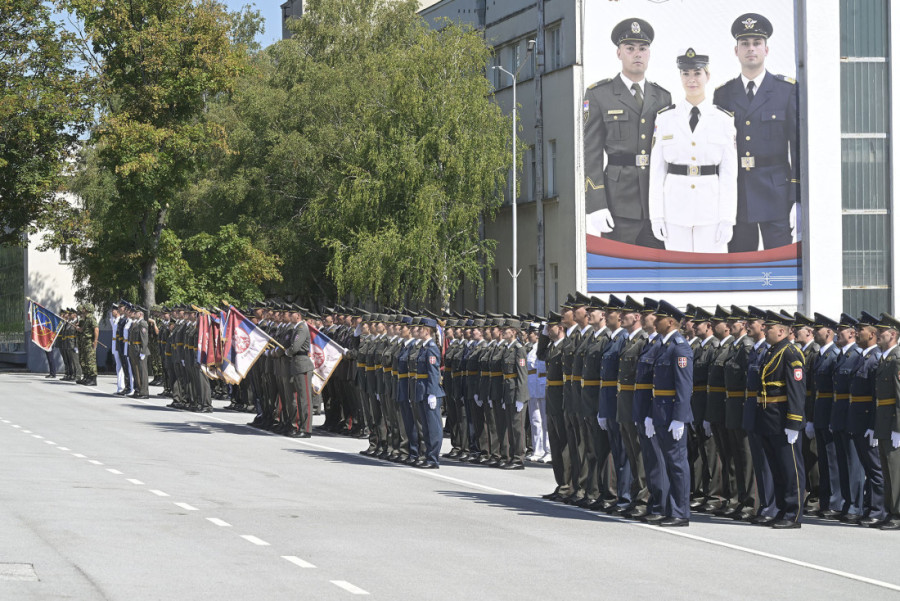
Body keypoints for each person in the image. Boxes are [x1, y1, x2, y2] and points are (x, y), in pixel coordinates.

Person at [713, 13, 801, 252]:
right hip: (738, 193)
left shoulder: (786, 90)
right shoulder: (723, 94)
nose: (750, 49)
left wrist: (797, 198)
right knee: (740, 269)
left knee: (779, 266)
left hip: (777, 193)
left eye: (756, 43)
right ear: (736, 50)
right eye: (745, 44)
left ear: (766, 49)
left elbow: (798, 147)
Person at [584, 18, 672, 247]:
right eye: (630, 48)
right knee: (618, 276)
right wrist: (596, 204)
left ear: (649, 53)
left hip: (655, 205)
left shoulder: (662, 97)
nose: (637, 54)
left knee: (657, 277)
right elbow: (590, 154)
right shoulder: (599, 94)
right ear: (619, 53)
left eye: (643, 48)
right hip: (617, 204)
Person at [649, 48, 737, 252]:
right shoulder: (664, 118)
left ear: (707, 76)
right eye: (685, 73)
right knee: (677, 277)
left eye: (697, 73)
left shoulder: (723, 120)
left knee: (712, 276)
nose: (691, 79)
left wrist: (727, 219)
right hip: (674, 212)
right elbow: (657, 171)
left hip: (711, 213)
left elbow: (729, 174)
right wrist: (657, 216)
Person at [757, 311, 807, 528]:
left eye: (768, 328)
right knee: (777, 468)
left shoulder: (791, 353)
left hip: (784, 419)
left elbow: (797, 390)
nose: (764, 330)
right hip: (769, 418)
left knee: (791, 468)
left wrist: (794, 422)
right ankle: (781, 509)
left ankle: (793, 514)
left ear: (781, 331)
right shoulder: (772, 351)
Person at [647, 300, 694, 526]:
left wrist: (679, 418)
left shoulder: (680, 347)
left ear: (670, 321)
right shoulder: (664, 346)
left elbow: (684, 386)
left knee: (677, 463)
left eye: (658, 318)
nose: (654, 321)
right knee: (667, 462)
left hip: (672, 414)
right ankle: (670, 508)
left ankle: (680, 512)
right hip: (660, 412)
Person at [416, 317, 445, 469]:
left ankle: (433, 458)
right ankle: (428, 455)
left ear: (427, 331)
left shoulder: (432, 348)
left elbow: (433, 372)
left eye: (420, 329)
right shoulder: (424, 347)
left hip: (430, 391)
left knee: (433, 427)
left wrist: (433, 393)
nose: (418, 331)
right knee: (426, 427)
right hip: (423, 391)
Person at [285, 304, 314, 438]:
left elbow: (296, 346)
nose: (290, 316)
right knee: (299, 398)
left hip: (302, 365)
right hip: (297, 364)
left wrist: (288, 351)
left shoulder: (302, 328)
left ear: (298, 315)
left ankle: (306, 429)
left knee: (304, 399)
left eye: (292, 314)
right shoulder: (297, 328)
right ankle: (300, 426)